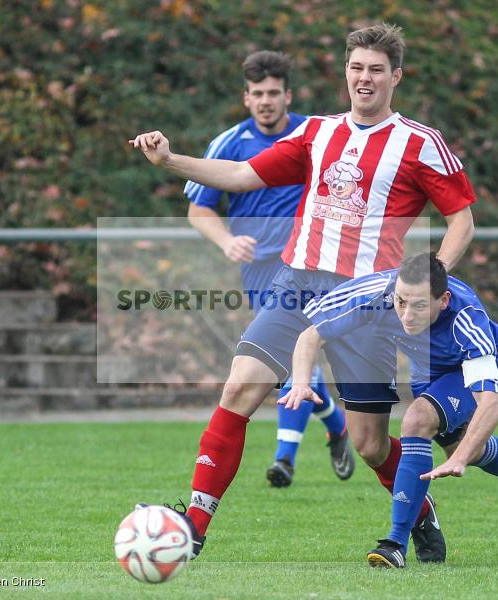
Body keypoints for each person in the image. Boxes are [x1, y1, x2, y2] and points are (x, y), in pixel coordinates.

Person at [130, 23, 477, 562]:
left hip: (366, 302)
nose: (365, 78)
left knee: (368, 443)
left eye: (377, 70)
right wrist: (170, 161)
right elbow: (243, 174)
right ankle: (194, 526)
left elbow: (462, 222)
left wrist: (430, 282)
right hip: (295, 286)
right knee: (240, 387)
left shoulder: (420, 144)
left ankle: (421, 511)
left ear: (396, 77)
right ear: (346, 72)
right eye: (357, 67)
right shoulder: (317, 132)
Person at [283, 252, 498, 568]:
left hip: (463, 372)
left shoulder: (467, 320)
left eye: (418, 305)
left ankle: (396, 542)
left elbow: (490, 404)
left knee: (418, 421)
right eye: (401, 302)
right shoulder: (377, 291)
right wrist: (301, 383)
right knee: (464, 446)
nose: (406, 313)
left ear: (443, 300)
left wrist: (457, 461)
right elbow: (311, 335)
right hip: (425, 372)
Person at [185, 50, 354, 488]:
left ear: (287, 95)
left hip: (311, 267)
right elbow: (198, 210)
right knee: (289, 365)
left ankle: (284, 458)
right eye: (257, 93)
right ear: (246, 98)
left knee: (297, 355)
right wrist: (227, 241)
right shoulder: (229, 143)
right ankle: (336, 426)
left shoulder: (315, 135)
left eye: (273, 93)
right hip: (258, 273)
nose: (266, 101)